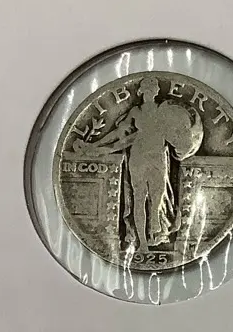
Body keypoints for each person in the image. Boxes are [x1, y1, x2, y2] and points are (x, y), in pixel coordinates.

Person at [73, 76, 203, 254]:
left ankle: (154, 218)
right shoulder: (135, 111)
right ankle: (142, 243)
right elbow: (119, 134)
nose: (149, 91)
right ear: (141, 91)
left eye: (152, 87)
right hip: (139, 155)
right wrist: (96, 146)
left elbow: (179, 132)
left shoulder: (165, 111)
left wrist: (184, 144)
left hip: (157, 156)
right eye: (146, 87)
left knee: (157, 193)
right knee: (139, 199)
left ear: (157, 91)